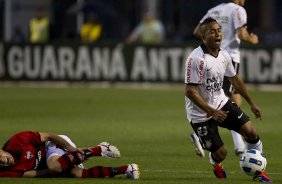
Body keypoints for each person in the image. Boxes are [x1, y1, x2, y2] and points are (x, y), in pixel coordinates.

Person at [184, 17, 271, 182]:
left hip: (222, 103)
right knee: (221, 153)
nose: (217, 34)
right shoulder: (197, 59)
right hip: (201, 115)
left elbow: (234, 79)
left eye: (219, 30)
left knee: (251, 132)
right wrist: (211, 112)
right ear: (203, 37)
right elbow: (189, 91)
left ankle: (259, 173)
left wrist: (252, 102)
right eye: (212, 31)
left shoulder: (224, 54)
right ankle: (215, 163)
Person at [190, 0, 259, 158]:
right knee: (229, 100)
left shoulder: (214, 10)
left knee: (227, 97)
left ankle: (206, 134)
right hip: (227, 57)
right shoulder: (238, 10)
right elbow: (242, 34)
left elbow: (196, 31)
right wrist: (253, 39)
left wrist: (209, 39)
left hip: (211, 55)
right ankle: (237, 145)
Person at [0, 131, 139, 179]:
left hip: (54, 144)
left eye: (1, 158)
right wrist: (54, 173)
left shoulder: (17, 141)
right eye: (1, 163)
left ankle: (98, 150)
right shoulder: (6, 171)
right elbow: (33, 174)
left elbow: (48, 135)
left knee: (54, 166)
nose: (4, 162)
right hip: (59, 161)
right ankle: (126, 169)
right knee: (77, 174)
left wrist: (70, 147)